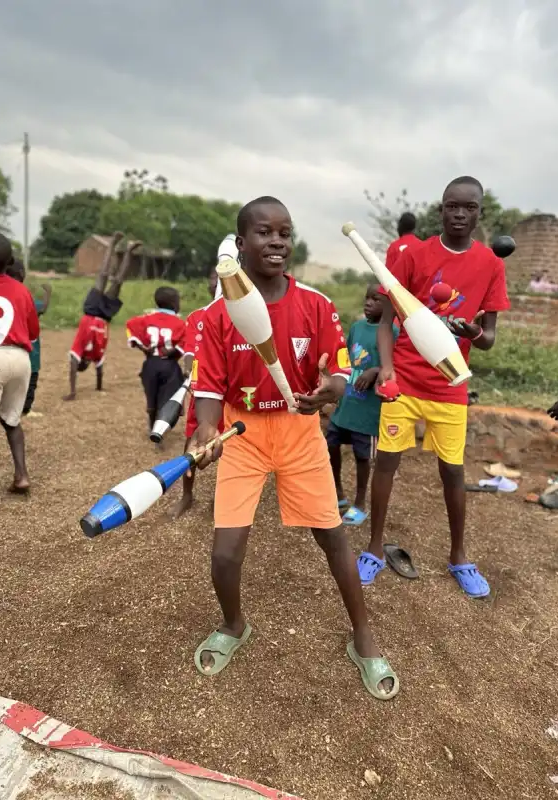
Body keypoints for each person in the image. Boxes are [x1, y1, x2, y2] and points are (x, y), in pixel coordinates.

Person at [191, 196, 399, 700]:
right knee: (224, 552)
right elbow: (207, 388)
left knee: (332, 538)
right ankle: (235, 623)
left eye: (284, 232)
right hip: (242, 434)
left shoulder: (315, 303)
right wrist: (204, 431)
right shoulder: (217, 315)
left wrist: (334, 386)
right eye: (264, 233)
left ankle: (363, 635)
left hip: (299, 430)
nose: (277, 241)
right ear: (240, 245)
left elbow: (340, 368)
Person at [358, 176, 511, 598]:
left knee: (453, 471)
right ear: (440, 209)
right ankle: (373, 548)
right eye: (451, 206)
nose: (460, 214)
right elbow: (387, 321)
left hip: (450, 386)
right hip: (404, 381)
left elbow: (490, 337)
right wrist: (386, 368)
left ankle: (459, 556)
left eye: (469, 207)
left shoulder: (491, 265)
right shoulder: (414, 255)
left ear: (480, 211)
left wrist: (474, 332)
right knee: (386, 463)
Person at [0, 233, 40, 512]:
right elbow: (33, 332)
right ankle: (22, 475)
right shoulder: (21, 289)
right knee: (12, 421)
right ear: (10, 261)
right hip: (20, 357)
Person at [326, 286, 399, 525]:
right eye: (367, 298)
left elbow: (396, 365)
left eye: (375, 300)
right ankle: (337, 492)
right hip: (347, 404)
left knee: (362, 457)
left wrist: (375, 370)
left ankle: (359, 503)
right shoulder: (357, 328)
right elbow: (345, 360)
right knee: (329, 446)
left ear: (389, 306)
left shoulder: (393, 332)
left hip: (368, 412)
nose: (368, 303)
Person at [64, 233, 140, 401]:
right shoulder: (95, 356)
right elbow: (99, 371)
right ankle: (127, 249)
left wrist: (73, 392)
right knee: (113, 279)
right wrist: (97, 388)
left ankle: (116, 245)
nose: (80, 361)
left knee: (108, 277)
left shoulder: (81, 350)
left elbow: (79, 368)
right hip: (103, 315)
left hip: (93, 311)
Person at [172, 269, 223, 518]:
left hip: (234, 397)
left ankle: (222, 497)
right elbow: (190, 352)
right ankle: (187, 495)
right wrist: (189, 365)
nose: (216, 283)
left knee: (231, 449)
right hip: (204, 393)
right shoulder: (196, 317)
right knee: (191, 444)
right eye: (213, 279)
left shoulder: (243, 315)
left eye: (221, 279)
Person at [125, 287, 186, 431]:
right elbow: (185, 341)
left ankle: (153, 425)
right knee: (169, 398)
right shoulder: (179, 323)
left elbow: (130, 325)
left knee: (152, 400)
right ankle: (163, 425)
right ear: (173, 303)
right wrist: (173, 351)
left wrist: (142, 347)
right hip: (170, 366)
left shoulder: (146, 319)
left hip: (150, 364)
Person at [5, 259, 52, 417]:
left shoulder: (3, 295)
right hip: (30, 352)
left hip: (6, 351)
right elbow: (42, 308)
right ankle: (26, 408)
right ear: (21, 274)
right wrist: (48, 293)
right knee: (30, 381)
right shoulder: (25, 296)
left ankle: (7, 407)